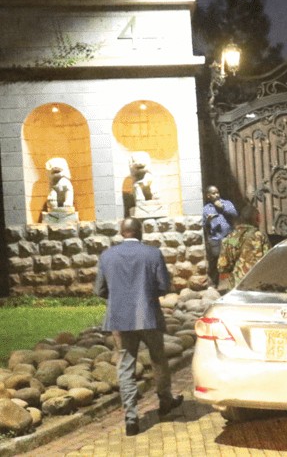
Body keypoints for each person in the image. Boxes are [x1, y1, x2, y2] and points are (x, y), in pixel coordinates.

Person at [94, 218, 183, 437]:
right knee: (158, 359)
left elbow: (100, 289)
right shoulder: (153, 254)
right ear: (139, 231)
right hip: (149, 315)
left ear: (120, 231)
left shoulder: (107, 256)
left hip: (120, 319)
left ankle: (131, 419)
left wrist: (118, 299)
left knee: (125, 366)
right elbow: (164, 286)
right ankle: (165, 401)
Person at [217, 205, 271, 288]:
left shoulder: (230, 238)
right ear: (257, 219)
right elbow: (269, 261)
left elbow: (222, 267)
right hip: (257, 285)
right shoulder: (260, 236)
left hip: (236, 287)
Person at [202, 185, 238, 287]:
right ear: (208, 196)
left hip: (229, 237)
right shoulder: (206, 209)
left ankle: (234, 283)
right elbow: (205, 226)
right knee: (215, 262)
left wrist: (222, 207)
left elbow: (235, 214)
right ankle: (214, 284)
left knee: (232, 259)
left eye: (217, 192)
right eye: (213, 193)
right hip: (215, 238)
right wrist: (208, 221)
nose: (216, 195)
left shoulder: (227, 203)